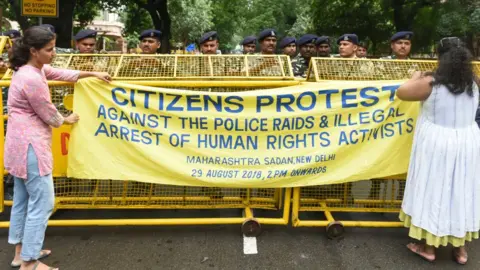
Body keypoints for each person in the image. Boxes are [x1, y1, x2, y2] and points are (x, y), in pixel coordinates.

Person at [5, 26, 111, 270]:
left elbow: (57, 72)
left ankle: (21, 252)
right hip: (32, 147)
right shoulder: (32, 78)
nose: (53, 53)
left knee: (22, 199)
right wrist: (67, 119)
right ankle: (30, 262)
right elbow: (49, 113)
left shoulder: (27, 69)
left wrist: (90, 73)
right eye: (49, 49)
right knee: (42, 202)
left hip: (19, 146)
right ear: (33, 50)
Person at [397, 37, 480, 264]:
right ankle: (461, 250)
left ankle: (428, 248)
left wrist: (415, 76)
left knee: (435, 190)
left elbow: (402, 92)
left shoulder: (431, 83)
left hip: (438, 144)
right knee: (461, 191)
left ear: (440, 58)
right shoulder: (474, 83)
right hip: (467, 142)